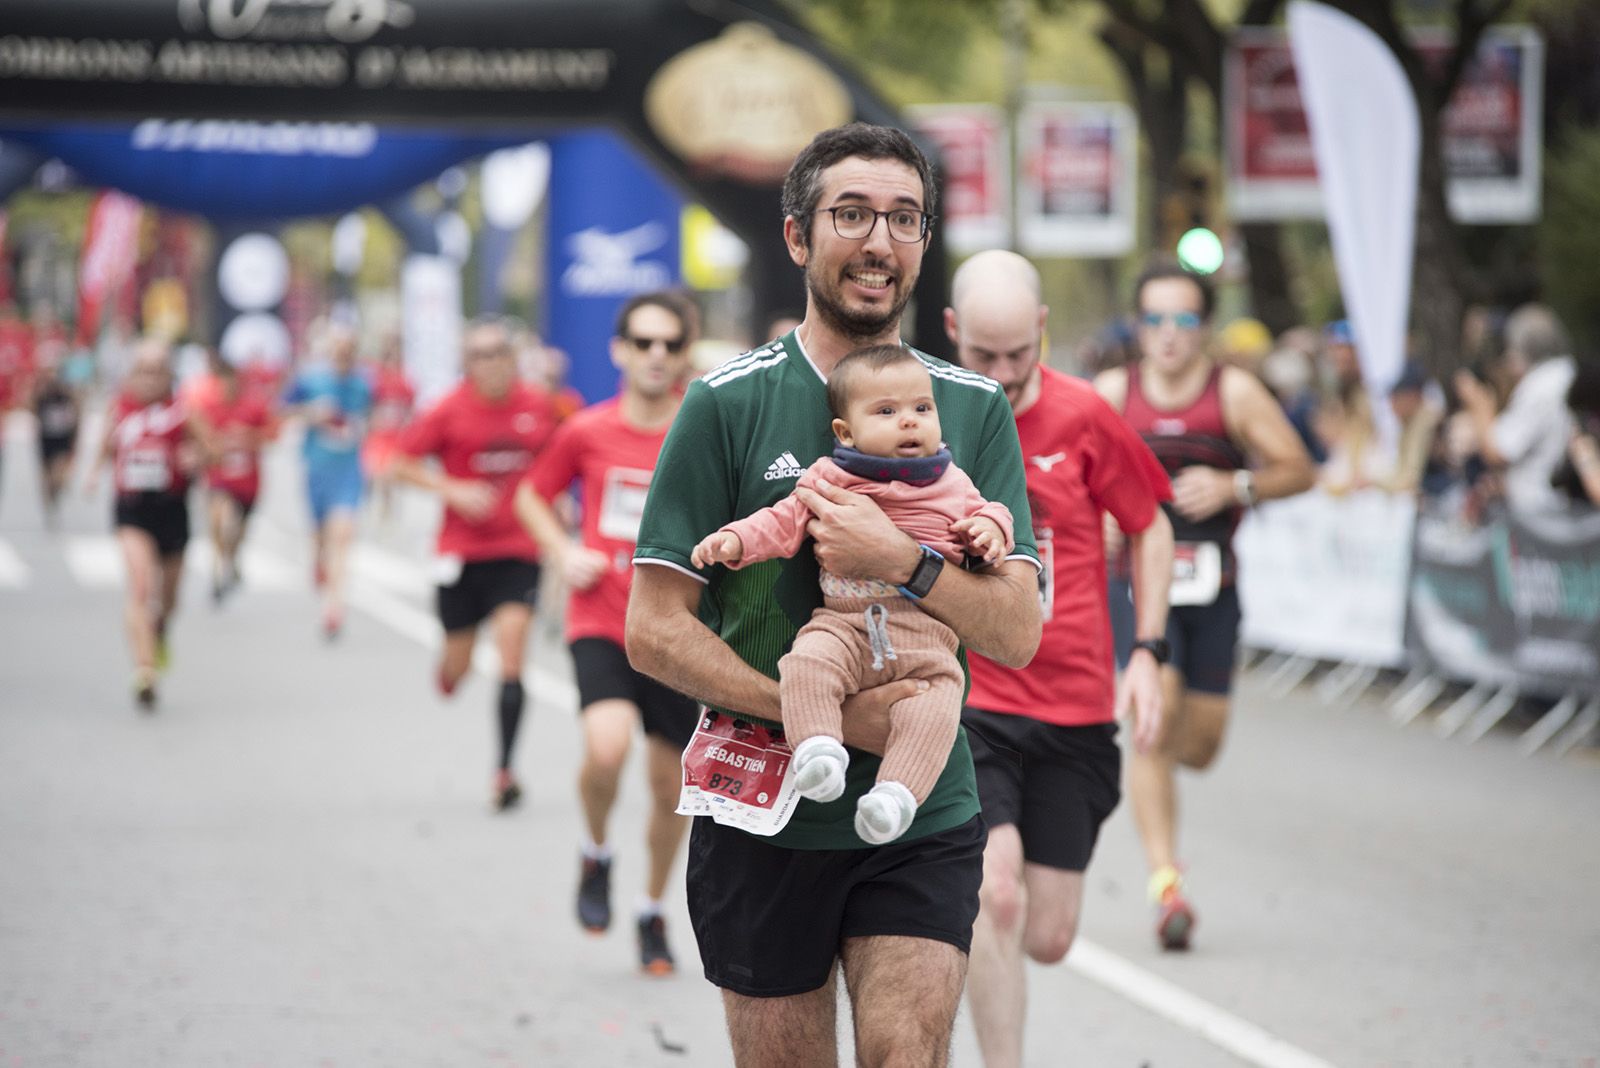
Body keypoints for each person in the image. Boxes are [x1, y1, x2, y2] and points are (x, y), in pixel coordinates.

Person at [627, 122, 1041, 1068]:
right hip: (762, 804)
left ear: (925, 245)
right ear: (798, 238)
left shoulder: (971, 410)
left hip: (922, 805)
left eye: (904, 218)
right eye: (852, 214)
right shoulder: (724, 405)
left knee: (907, 1053)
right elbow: (652, 633)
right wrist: (821, 716)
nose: (880, 241)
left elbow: (1018, 631)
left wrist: (905, 559)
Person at [944, 250, 1174, 1068]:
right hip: (974, 703)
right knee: (993, 893)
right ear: (951, 334)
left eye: (1017, 355)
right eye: (982, 356)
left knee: (1047, 934)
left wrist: (1147, 650)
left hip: (1074, 706)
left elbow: (1149, 523)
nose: (1002, 375)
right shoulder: (926, 414)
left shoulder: (1084, 416)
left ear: (1043, 330)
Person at [690, 344, 1014, 844]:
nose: (909, 422)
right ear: (845, 431)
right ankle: (819, 749)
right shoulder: (831, 477)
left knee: (934, 708)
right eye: (886, 412)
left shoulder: (950, 482)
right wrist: (735, 541)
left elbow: (992, 511)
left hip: (923, 636)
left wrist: (990, 530)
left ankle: (895, 798)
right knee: (806, 665)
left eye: (921, 409)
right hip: (842, 621)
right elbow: (782, 520)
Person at [1095, 262, 1313, 951]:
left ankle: (1163, 751)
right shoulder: (1110, 393)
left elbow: (1299, 468)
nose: (1167, 335)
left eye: (1182, 321)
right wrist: (1097, 517)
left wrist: (1235, 486)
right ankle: (1167, 884)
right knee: (1151, 721)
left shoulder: (1234, 393)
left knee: (1202, 742)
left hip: (1211, 590)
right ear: (1137, 327)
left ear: (1205, 328)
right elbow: (1073, 478)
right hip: (1133, 585)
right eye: (1154, 320)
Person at [514, 291, 699, 974]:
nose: (656, 356)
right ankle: (596, 852)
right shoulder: (586, 431)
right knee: (605, 745)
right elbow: (532, 494)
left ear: (685, 354)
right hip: (603, 619)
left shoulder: (701, 430)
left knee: (670, 788)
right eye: (643, 343)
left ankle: (652, 911)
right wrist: (563, 553)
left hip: (679, 631)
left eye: (670, 344)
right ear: (620, 350)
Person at [392, 317, 559, 812]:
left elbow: (557, 458)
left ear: (512, 359)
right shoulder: (447, 409)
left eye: (498, 354)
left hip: (517, 550)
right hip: (461, 554)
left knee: (512, 653)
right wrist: (453, 489)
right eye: (479, 356)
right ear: (467, 365)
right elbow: (397, 463)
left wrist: (555, 507)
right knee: (458, 668)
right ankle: (448, 666)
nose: (490, 365)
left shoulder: (536, 405)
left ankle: (504, 771)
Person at [86, 339, 209, 709]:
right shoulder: (119, 408)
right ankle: (144, 671)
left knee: (168, 598)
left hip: (172, 508)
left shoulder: (184, 411)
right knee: (139, 586)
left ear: (170, 374)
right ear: (132, 373)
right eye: (143, 370)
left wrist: (196, 457)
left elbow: (212, 450)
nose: (150, 379)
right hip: (133, 509)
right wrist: (94, 473)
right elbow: (108, 446)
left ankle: (160, 630)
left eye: (158, 371)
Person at [283, 322, 373, 639]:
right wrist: (311, 413)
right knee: (321, 536)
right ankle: (318, 560)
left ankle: (334, 609)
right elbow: (282, 411)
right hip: (317, 469)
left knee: (343, 535)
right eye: (339, 351)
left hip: (350, 471)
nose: (344, 357)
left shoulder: (366, 383)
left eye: (350, 351)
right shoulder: (310, 378)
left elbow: (375, 418)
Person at [1453, 303, 1578, 514]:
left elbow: (1498, 450)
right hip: (1557, 507)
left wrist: (1479, 404)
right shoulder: (1565, 373)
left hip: (1540, 514)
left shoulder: (1542, 385)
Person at [194, 353, 273, 603]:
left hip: (248, 482)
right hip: (220, 478)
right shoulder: (209, 408)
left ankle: (232, 559)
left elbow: (272, 435)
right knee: (221, 520)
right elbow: (199, 440)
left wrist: (248, 437)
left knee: (238, 532)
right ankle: (218, 571)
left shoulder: (254, 407)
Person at [361, 332, 416, 522]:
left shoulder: (405, 381)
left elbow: (409, 407)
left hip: (394, 433)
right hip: (377, 432)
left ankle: (386, 511)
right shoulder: (376, 378)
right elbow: (368, 404)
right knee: (369, 470)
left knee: (387, 475)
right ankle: (365, 504)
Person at [33, 353, 82, 528]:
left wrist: (75, 438)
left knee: (58, 475)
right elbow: (31, 407)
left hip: (63, 438)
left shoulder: (68, 392)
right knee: (45, 478)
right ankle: (49, 507)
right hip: (46, 439)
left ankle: (57, 494)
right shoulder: (42, 391)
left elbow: (77, 413)